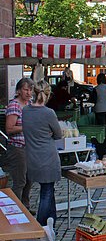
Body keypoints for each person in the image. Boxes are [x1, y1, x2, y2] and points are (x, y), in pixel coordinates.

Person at [22, 80, 62, 226]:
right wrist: (49, 132)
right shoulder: (48, 113)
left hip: (32, 157)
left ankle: (51, 223)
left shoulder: (25, 110)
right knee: (46, 193)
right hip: (48, 158)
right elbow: (58, 135)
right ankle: (41, 225)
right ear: (48, 94)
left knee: (48, 191)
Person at [4, 78, 34, 210]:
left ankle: (25, 206)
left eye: (30, 90)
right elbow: (9, 129)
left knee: (30, 179)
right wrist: (26, 126)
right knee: (19, 181)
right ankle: (16, 209)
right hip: (17, 147)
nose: (28, 92)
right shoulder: (14, 105)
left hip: (30, 147)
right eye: (26, 89)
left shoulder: (31, 104)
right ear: (19, 91)